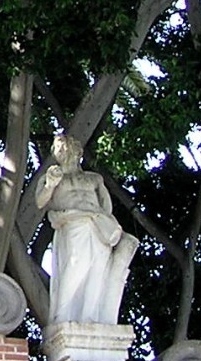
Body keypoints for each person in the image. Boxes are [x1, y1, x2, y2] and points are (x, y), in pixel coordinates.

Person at [33, 134, 138, 326]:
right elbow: (40, 202)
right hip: (73, 223)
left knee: (97, 269)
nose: (66, 151)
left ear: (78, 152)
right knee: (74, 266)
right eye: (60, 149)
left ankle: (90, 315)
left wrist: (101, 219)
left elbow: (106, 206)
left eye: (69, 147)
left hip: (97, 224)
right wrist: (50, 185)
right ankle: (62, 316)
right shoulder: (52, 177)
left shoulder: (94, 178)